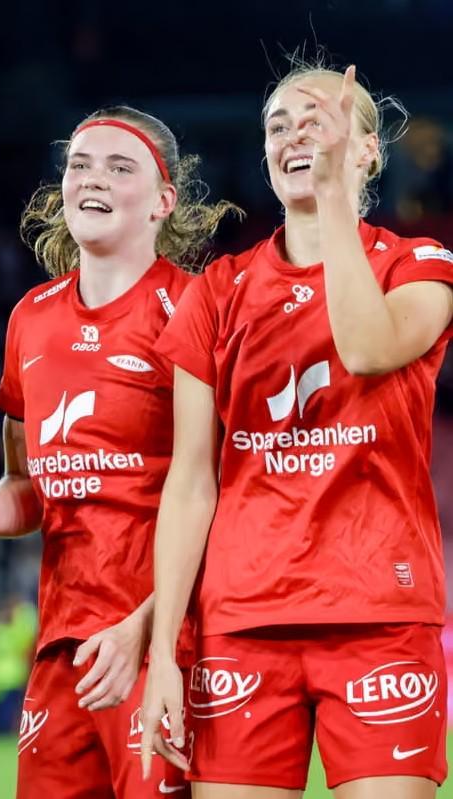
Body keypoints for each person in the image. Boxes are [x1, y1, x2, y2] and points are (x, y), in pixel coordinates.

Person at [141, 64, 452, 798]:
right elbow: (190, 483)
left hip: (379, 612)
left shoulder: (417, 266)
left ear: (367, 149)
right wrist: (163, 654)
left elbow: (366, 349)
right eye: (278, 126)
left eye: (317, 122)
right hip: (242, 618)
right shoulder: (217, 291)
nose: (294, 137)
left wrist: (334, 196)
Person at [0, 106, 238, 797]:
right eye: (79, 164)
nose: (92, 178)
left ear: (162, 202)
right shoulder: (30, 318)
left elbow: (226, 495)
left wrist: (149, 629)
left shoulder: (196, 308)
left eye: (118, 166)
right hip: (64, 647)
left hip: (167, 641)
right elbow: (28, 486)